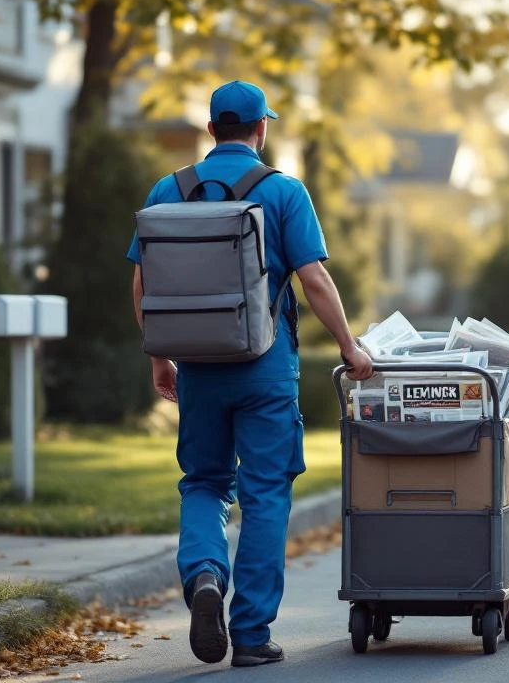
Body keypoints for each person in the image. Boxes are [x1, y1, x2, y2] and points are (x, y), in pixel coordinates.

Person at [126, 80, 374, 667]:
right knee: (265, 497)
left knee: (205, 483)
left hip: (198, 369)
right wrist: (349, 348)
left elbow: (143, 283)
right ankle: (253, 636)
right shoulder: (284, 191)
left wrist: (160, 355)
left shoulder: (169, 189)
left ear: (212, 129)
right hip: (264, 369)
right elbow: (313, 280)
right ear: (262, 129)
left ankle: (205, 576)